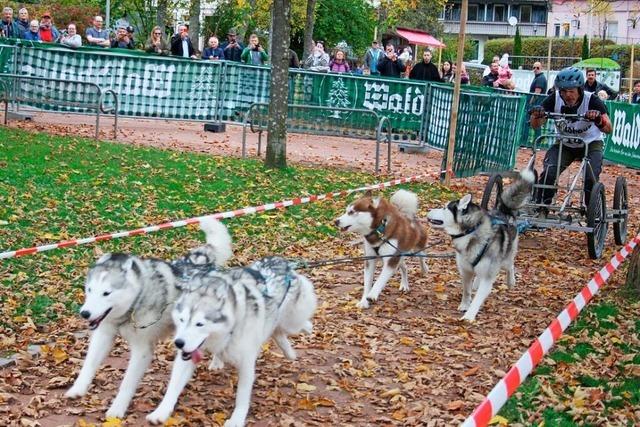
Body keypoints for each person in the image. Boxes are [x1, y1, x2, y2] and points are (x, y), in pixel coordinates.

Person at [529, 67, 612, 214]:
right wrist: (537, 115)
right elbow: (535, 125)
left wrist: (598, 119)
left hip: (590, 143)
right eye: (564, 91)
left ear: (579, 89)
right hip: (565, 143)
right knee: (549, 171)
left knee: (590, 177)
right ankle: (542, 208)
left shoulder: (592, 99)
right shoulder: (554, 98)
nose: (568, 95)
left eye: (571, 91)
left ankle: (591, 211)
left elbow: (608, 128)